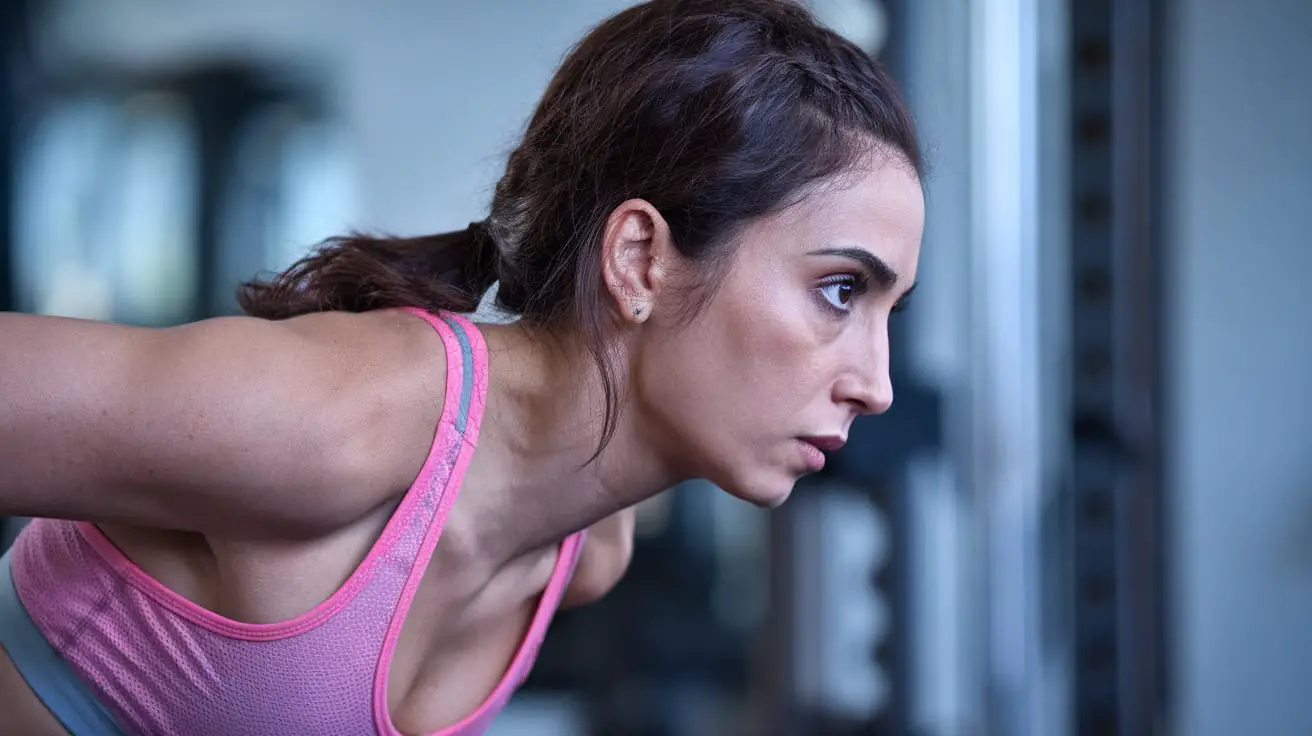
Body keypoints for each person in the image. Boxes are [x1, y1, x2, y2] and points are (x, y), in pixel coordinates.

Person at [0, 0, 924, 733]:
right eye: (841, 291)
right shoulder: (340, 422)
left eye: (888, 312)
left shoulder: (587, 553)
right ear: (640, 257)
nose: (876, 384)